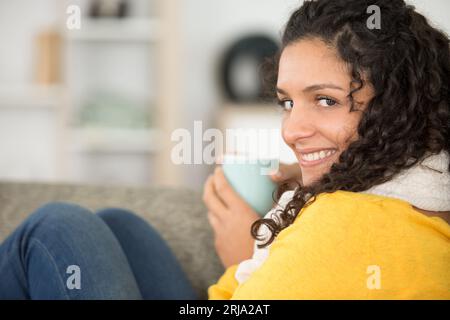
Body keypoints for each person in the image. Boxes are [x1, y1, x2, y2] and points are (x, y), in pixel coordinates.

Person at [1, 0, 449, 299]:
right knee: (122, 226)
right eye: (288, 103)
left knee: (56, 227)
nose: (292, 130)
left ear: (400, 105)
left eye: (326, 100)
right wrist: (325, 174)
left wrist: (248, 251)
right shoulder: (423, 204)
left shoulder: (347, 224)